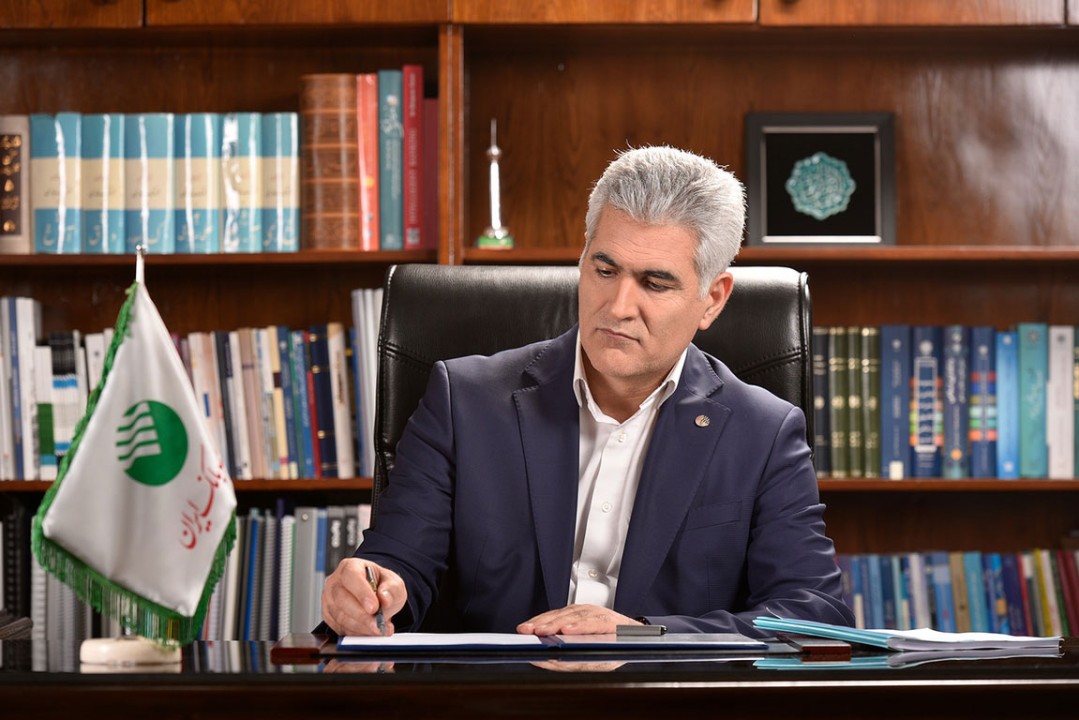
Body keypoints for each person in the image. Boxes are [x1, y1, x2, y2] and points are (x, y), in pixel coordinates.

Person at [322, 145, 854, 638]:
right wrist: (371, 591)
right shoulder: (462, 401)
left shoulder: (764, 433)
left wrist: (641, 635)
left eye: (655, 283)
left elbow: (814, 615)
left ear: (712, 299)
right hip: (498, 695)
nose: (618, 306)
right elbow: (397, 563)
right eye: (604, 269)